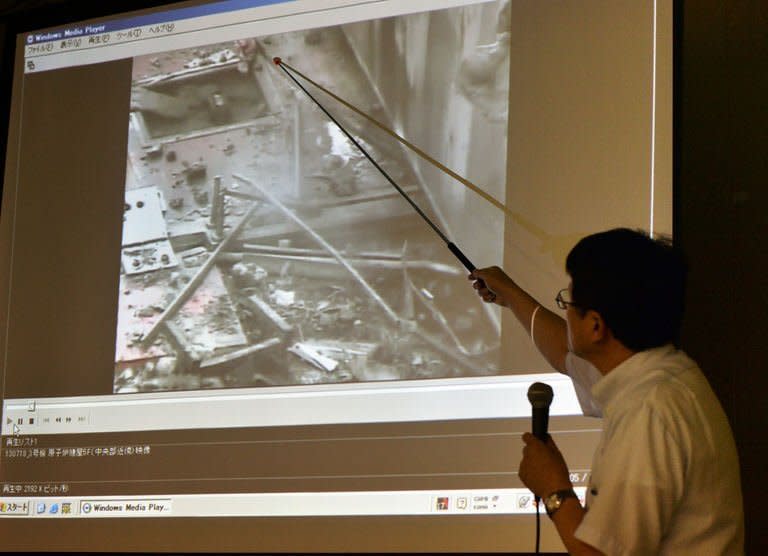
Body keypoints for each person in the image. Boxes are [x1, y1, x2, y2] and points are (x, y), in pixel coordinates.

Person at [469, 228, 744, 555]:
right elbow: (563, 352)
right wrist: (511, 295)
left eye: (568, 303)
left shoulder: (648, 409)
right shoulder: (662, 375)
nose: (566, 311)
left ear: (596, 326)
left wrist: (554, 489)